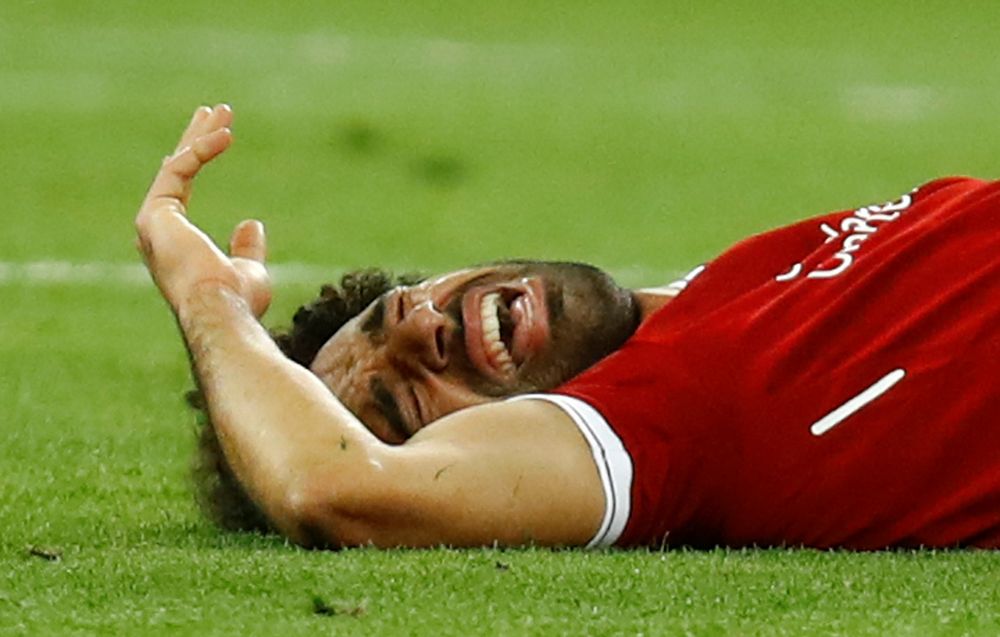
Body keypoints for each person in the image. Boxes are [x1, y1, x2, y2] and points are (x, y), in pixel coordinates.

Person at [137, 105, 999, 551]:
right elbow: (332, 489)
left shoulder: (720, 292)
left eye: (397, 307)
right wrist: (209, 304)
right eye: (405, 404)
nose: (421, 331)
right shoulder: (664, 422)